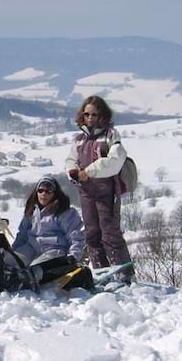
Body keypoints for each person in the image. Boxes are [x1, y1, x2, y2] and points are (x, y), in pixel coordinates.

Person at [65, 95, 134, 279]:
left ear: (102, 115)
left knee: (110, 234)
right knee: (92, 235)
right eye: (87, 114)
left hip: (107, 192)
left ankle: (124, 275)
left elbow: (115, 160)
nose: (90, 118)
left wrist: (90, 170)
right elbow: (71, 160)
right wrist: (72, 171)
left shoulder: (111, 135)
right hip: (86, 192)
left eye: (94, 114)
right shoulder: (80, 139)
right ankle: (101, 273)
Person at [12, 175, 86, 266]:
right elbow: (22, 234)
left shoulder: (64, 212)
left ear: (55, 193)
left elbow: (76, 236)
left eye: (49, 191)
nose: (44, 194)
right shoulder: (32, 211)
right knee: (9, 263)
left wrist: (73, 257)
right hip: (31, 248)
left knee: (35, 271)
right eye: (41, 190)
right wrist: (14, 251)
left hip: (54, 250)